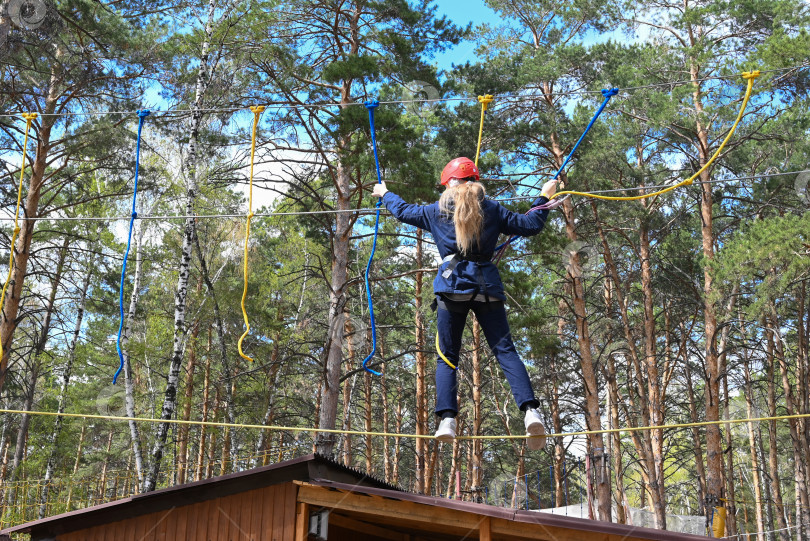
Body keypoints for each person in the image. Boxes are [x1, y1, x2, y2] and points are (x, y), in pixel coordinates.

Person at [372, 157, 556, 450]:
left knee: (447, 355)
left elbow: (403, 211)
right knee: (505, 350)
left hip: (452, 287)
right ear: (475, 181)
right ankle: (531, 411)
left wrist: (385, 194)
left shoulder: (437, 210)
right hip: (486, 287)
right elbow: (531, 224)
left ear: (448, 184)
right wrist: (544, 196)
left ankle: (447, 420)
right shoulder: (492, 208)